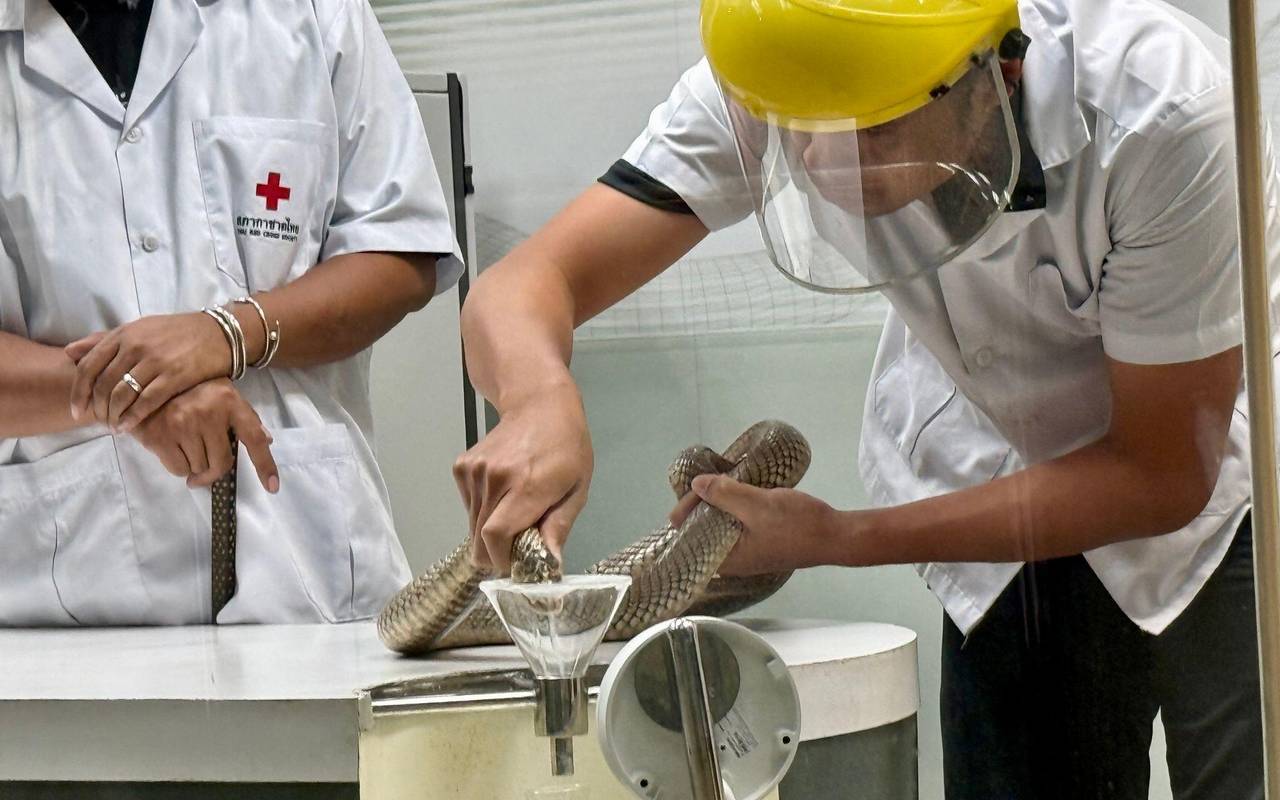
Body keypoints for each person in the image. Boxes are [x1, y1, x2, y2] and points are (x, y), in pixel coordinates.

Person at [454, 0, 1267, 796]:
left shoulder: (1162, 110)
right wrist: (537, 399)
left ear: (996, 73)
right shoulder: (783, 63)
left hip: (1219, 489)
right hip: (993, 470)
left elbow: (1163, 473)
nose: (823, 163)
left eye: (873, 130)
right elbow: (528, 283)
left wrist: (841, 537)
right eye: (802, 132)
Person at [0, 0, 462, 625]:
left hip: (303, 573)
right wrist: (134, 397)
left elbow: (399, 250)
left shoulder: (310, 14)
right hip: (61, 599)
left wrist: (230, 333)